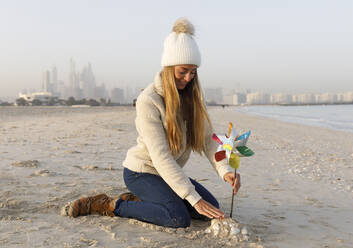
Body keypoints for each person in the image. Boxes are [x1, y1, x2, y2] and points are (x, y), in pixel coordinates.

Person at [66, 18, 241, 228]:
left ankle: (145, 201)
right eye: (182, 71)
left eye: (193, 72)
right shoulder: (149, 100)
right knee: (178, 218)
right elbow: (161, 157)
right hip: (142, 171)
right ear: (169, 68)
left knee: (210, 210)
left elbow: (208, 141)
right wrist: (193, 198)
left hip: (166, 174)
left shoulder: (193, 98)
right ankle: (109, 204)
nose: (188, 78)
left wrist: (225, 170)